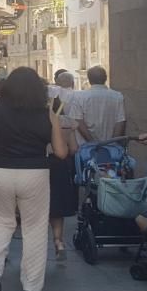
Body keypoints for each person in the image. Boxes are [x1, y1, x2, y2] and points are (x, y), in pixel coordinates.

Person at [0, 67, 68, 291]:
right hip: (34, 172)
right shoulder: (47, 113)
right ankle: (32, 286)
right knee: (34, 227)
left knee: (2, 221)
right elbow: (62, 153)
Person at [49, 72, 79, 261]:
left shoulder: (42, 121)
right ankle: (59, 240)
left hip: (40, 164)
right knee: (57, 206)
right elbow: (74, 149)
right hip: (60, 166)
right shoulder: (67, 123)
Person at [68, 65, 125, 144]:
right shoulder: (118, 96)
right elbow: (120, 121)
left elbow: (78, 122)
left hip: (86, 147)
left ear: (89, 80)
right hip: (110, 147)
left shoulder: (79, 97)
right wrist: (112, 143)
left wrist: (92, 142)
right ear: (105, 78)